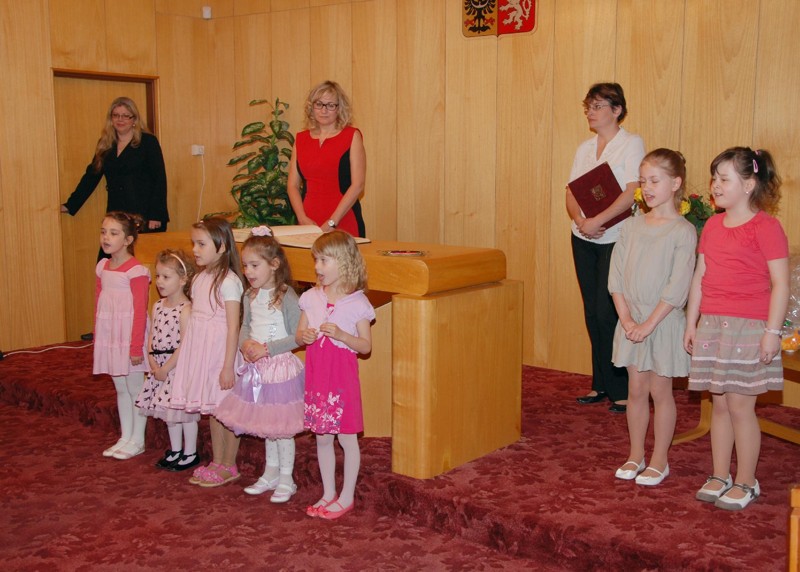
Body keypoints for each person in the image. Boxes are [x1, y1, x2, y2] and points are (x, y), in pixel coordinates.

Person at [684, 147, 789, 511]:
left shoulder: (767, 227)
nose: (715, 185)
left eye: (724, 179)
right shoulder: (713, 226)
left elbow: (780, 283)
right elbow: (700, 276)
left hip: (749, 326)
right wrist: (692, 321)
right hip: (714, 325)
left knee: (741, 406)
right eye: (714, 178)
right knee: (720, 404)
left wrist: (772, 332)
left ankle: (747, 480)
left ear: (748, 185)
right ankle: (719, 475)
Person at [609, 149, 697, 485]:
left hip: (662, 322)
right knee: (636, 389)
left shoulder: (682, 231)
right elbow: (616, 277)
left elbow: (678, 286)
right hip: (632, 321)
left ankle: (660, 458)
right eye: (643, 181)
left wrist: (648, 325)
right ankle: (636, 454)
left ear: (675, 183)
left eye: (654, 181)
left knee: (660, 391)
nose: (646, 188)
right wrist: (628, 320)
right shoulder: (631, 226)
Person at [566, 82, 645, 413]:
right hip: (583, 236)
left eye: (598, 106)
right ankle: (599, 383)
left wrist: (598, 219)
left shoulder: (631, 143)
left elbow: (632, 191)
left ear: (617, 110)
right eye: (589, 106)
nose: (591, 112)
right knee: (590, 311)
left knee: (607, 311)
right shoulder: (584, 148)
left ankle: (621, 388)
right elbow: (571, 192)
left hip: (615, 237)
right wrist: (581, 220)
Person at [214, 226, 305, 503]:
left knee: (281, 428)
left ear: (274, 264)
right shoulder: (249, 295)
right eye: (245, 266)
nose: (248, 272)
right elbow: (245, 326)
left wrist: (267, 348)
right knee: (267, 423)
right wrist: (245, 345)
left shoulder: (286, 295)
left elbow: (298, 336)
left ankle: (287, 478)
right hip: (258, 370)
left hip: (280, 369)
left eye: (255, 265)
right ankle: (271, 473)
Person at [297, 231, 375, 519]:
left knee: (347, 439)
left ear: (344, 262)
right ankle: (328, 492)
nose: (317, 266)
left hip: (341, 380)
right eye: (316, 260)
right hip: (319, 377)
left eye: (324, 260)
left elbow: (365, 346)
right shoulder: (310, 298)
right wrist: (304, 336)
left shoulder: (358, 303)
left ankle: (346, 496)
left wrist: (343, 335)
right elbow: (299, 335)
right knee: (322, 438)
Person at [169, 217, 244, 487]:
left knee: (226, 411)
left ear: (221, 247)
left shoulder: (229, 282)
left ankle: (229, 464)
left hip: (221, 355)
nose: (195, 249)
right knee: (212, 409)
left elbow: (233, 327)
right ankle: (217, 461)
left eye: (201, 244)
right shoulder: (200, 278)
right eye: (194, 243)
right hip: (203, 353)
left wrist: (228, 366)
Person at [135, 249, 201, 472]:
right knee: (168, 413)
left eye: (166, 276)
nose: (160, 281)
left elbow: (185, 345)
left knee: (183, 413)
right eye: (158, 276)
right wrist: (153, 364)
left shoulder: (186, 310)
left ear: (183, 280)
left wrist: (167, 368)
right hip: (160, 366)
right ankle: (175, 449)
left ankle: (190, 452)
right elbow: (151, 337)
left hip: (177, 368)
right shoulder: (157, 306)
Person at [61, 97, 169, 232]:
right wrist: (70, 205)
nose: (120, 120)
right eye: (116, 115)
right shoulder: (105, 144)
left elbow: (159, 179)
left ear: (134, 119)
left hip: (145, 214)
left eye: (126, 116)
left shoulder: (148, 142)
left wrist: (156, 215)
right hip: (116, 212)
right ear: (111, 119)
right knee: (113, 245)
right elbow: (91, 176)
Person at [94, 211, 151, 460]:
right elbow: (99, 303)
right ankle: (125, 436)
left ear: (128, 240)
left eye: (113, 233)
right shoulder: (102, 267)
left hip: (130, 337)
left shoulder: (136, 271)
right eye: (103, 232)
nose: (106, 237)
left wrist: (136, 347)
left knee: (135, 388)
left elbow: (140, 311)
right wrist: (99, 336)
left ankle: (138, 439)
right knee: (120, 388)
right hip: (111, 337)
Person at [287, 80, 367, 237]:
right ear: (311, 107)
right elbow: (292, 185)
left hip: (343, 220)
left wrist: (332, 222)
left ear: (339, 108)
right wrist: (302, 218)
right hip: (308, 222)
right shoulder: (301, 139)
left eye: (330, 105)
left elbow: (358, 185)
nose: (324, 110)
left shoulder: (352, 136)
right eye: (319, 104)